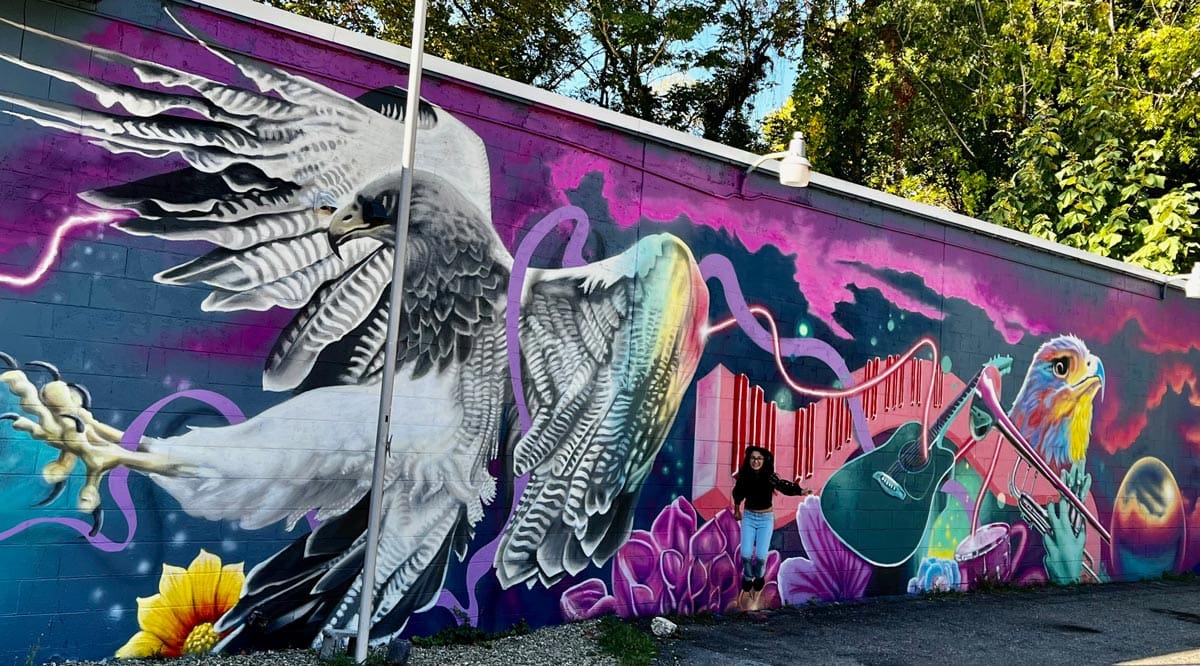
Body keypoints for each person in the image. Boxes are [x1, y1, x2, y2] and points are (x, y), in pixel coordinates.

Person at [731, 445, 811, 609]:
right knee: (746, 555)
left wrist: (800, 491)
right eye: (753, 458)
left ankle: (759, 579)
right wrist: (737, 510)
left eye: (759, 459)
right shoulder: (744, 477)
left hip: (765, 519)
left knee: (760, 557)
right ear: (749, 460)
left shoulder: (769, 477)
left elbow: (783, 486)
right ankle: (747, 578)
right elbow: (737, 493)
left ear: (764, 461)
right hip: (749, 517)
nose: (756, 461)